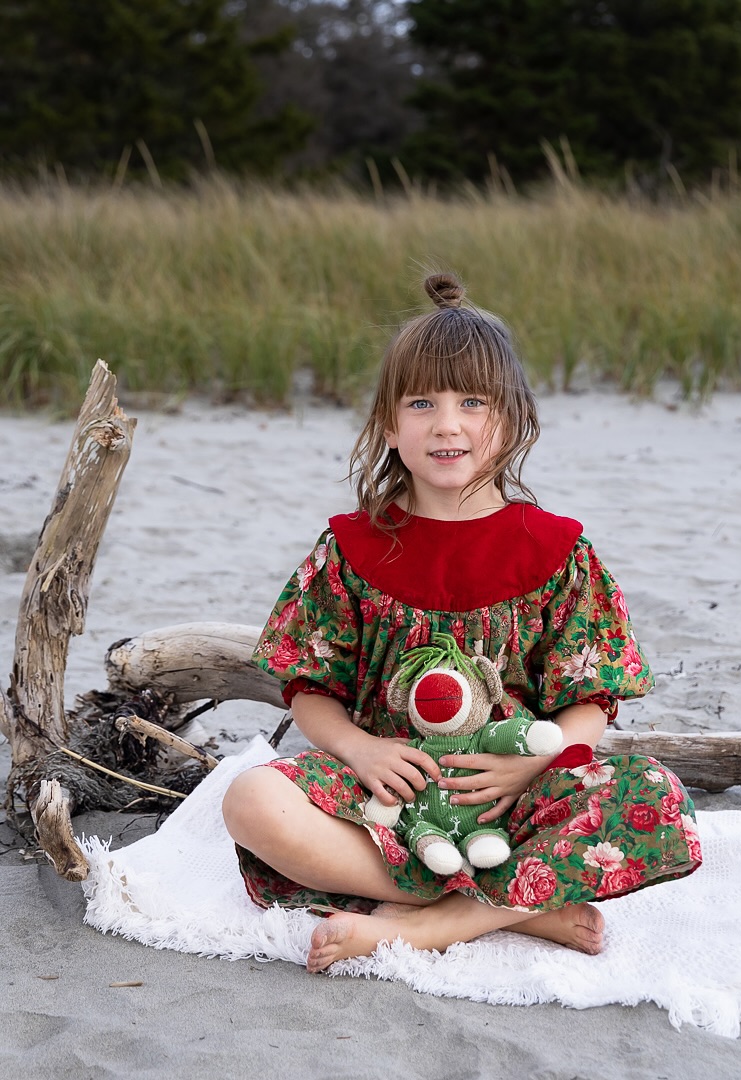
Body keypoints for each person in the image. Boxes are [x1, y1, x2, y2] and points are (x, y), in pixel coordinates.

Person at [222, 272, 701, 974]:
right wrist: (360, 750)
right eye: (422, 403)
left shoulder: (558, 550)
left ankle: (428, 924)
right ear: (391, 424)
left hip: (512, 794)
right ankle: (516, 907)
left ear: (506, 420)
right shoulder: (351, 547)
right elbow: (308, 688)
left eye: (471, 402)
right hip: (386, 800)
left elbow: (591, 701)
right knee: (250, 800)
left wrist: (536, 761)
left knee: (657, 795)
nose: (447, 423)